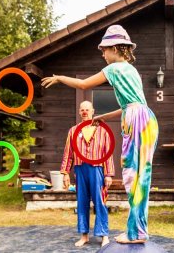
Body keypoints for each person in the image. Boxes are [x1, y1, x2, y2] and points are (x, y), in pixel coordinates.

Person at [42, 25, 159, 244]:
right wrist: (104, 117)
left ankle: (135, 233)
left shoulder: (114, 68)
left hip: (135, 119)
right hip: (147, 118)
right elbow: (132, 105)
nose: (102, 54)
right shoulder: (132, 70)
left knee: (133, 176)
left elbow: (84, 84)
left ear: (115, 48)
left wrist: (59, 78)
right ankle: (138, 230)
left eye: (104, 50)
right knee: (142, 177)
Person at [61, 101, 114, 247]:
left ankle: (104, 236)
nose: (85, 112)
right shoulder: (73, 131)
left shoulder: (102, 130)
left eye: (87, 110)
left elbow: (107, 152)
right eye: (82, 110)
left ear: (93, 111)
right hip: (80, 169)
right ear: (79, 112)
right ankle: (84, 235)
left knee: (100, 201)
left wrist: (108, 174)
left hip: (97, 169)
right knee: (82, 202)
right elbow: (68, 153)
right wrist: (65, 172)